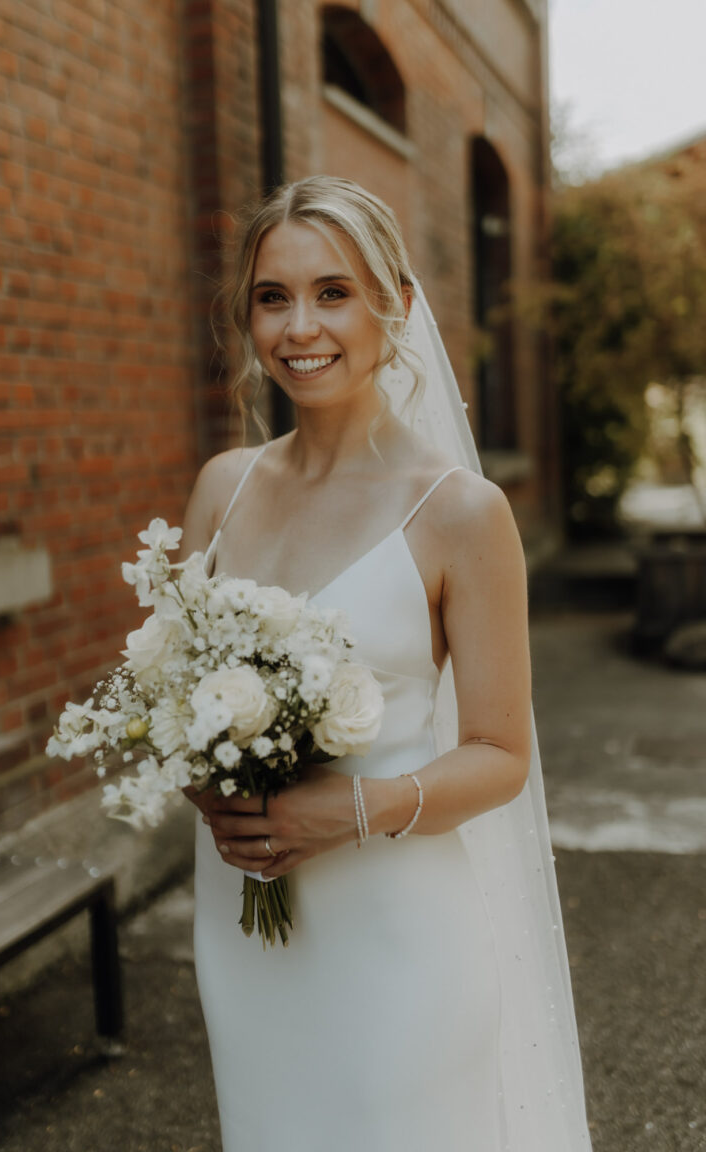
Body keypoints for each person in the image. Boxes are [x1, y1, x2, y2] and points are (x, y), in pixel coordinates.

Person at [180, 176, 592, 1151]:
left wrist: (349, 810)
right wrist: (204, 780)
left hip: (399, 936)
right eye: (272, 297)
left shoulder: (460, 512)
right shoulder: (221, 489)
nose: (299, 326)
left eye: (334, 291)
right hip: (250, 932)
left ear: (396, 305)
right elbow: (178, 699)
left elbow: (499, 753)